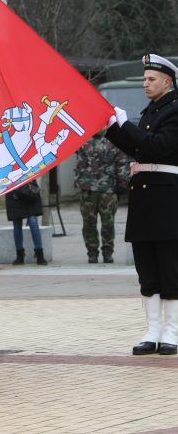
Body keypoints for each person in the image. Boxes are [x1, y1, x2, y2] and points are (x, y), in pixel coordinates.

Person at [106, 53, 178, 356]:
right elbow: (138, 150)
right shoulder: (151, 111)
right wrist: (114, 128)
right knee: (147, 271)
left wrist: (126, 125)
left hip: (167, 200)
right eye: (145, 79)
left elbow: (157, 148)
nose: (146, 84)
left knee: (170, 270)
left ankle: (171, 332)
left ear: (167, 81)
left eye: (151, 79)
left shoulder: (174, 111)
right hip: (146, 200)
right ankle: (152, 331)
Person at [74, 131, 129, 263]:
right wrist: (79, 183)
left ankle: (107, 251)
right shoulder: (83, 141)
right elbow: (79, 164)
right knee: (88, 223)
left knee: (108, 223)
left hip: (108, 190)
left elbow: (121, 163)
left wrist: (122, 184)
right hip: (88, 189)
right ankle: (92, 252)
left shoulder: (114, 141)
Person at [5, 179, 47, 265]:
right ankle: (20, 255)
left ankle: (39, 254)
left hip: (28, 190)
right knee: (17, 223)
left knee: (33, 222)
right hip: (14, 190)